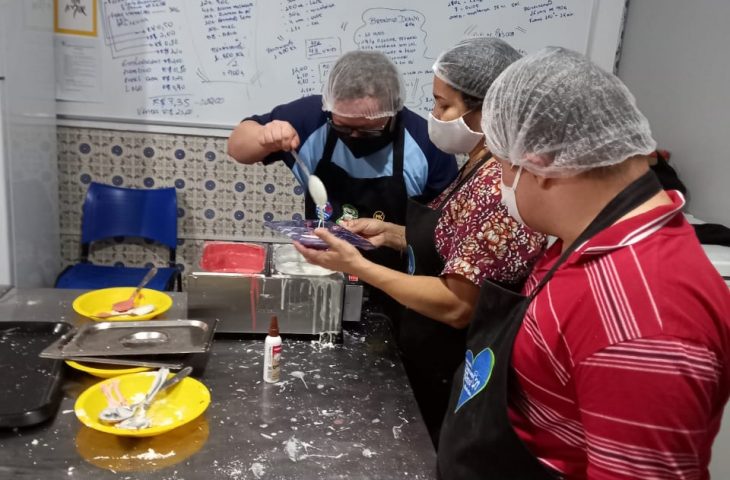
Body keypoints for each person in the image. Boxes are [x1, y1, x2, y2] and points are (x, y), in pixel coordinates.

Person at [438, 46, 730, 480]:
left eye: (501, 165)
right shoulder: (591, 241)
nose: (500, 184)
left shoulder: (640, 318)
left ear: (543, 166)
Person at [293, 38, 546, 446]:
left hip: (456, 367)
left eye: (444, 105)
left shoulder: (504, 185)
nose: (433, 116)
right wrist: (393, 234)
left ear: (491, 109)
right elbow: (456, 242)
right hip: (424, 352)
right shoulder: (478, 164)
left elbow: (457, 304)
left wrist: (356, 266)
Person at [227, 50, 458, 230]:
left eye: (368, 130)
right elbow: (237, 148)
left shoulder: (428, 142)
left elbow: (442, 229)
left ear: (393, 111)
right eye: (343, 127)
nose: (354, 136)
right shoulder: (311, 118)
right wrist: (263, 137)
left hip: (395, 279)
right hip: (324, 273)